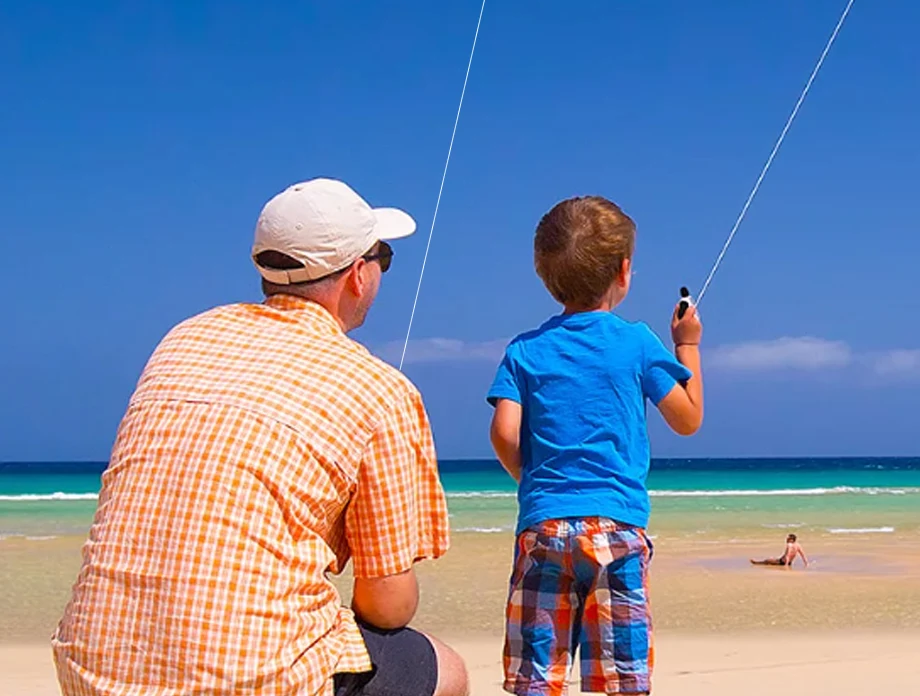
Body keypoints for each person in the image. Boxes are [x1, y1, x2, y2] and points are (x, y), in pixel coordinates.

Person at [53, 178, 470, 696]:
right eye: (381, 257)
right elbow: (387, 604)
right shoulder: (381, 389)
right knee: (446, 671)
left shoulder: (184, 339)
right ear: (358, 276)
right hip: (246, 682)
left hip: (91, 668)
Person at [487, 196, 703, 696]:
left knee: (535, 678)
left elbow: (503, 433)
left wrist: (533, 481)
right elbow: (688, 418)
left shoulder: (524, 350)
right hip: (617, 531)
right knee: (621, 680)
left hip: (543, 528)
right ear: (624, 272)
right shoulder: (637, 343)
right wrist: (687, 343)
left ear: (545, 274)